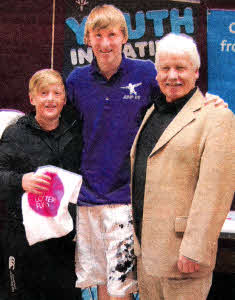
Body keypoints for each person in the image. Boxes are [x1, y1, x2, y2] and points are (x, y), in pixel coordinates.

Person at [66, 4, 227, 300]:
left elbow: (179, 100)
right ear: (87, 39)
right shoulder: (76, 81)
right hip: (88, 200)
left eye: (112, 34)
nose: (105, 43)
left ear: (124, 37)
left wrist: (209, 101)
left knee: (121, 291)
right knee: (101, 286)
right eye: (97, 35)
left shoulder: (145, 74)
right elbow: (60, 126)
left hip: (125, 202)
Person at [130, 33, 234, 300]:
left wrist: (195, 250)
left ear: (196, 72)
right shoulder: (153, 112)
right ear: (156, 74)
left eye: (180, 68)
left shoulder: (217, 117)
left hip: (184, 259)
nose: (172, 76)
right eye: (165, 68)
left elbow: (216, 190)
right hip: (148, 258)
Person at [0, 69, 83, 300]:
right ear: (32, 98)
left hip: (64, 239)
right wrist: (21, 180)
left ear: (64, 99)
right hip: (24, 241)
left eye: (57, 93)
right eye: (43, 93)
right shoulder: (15, 134)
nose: (50, 99)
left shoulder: (74, 133)